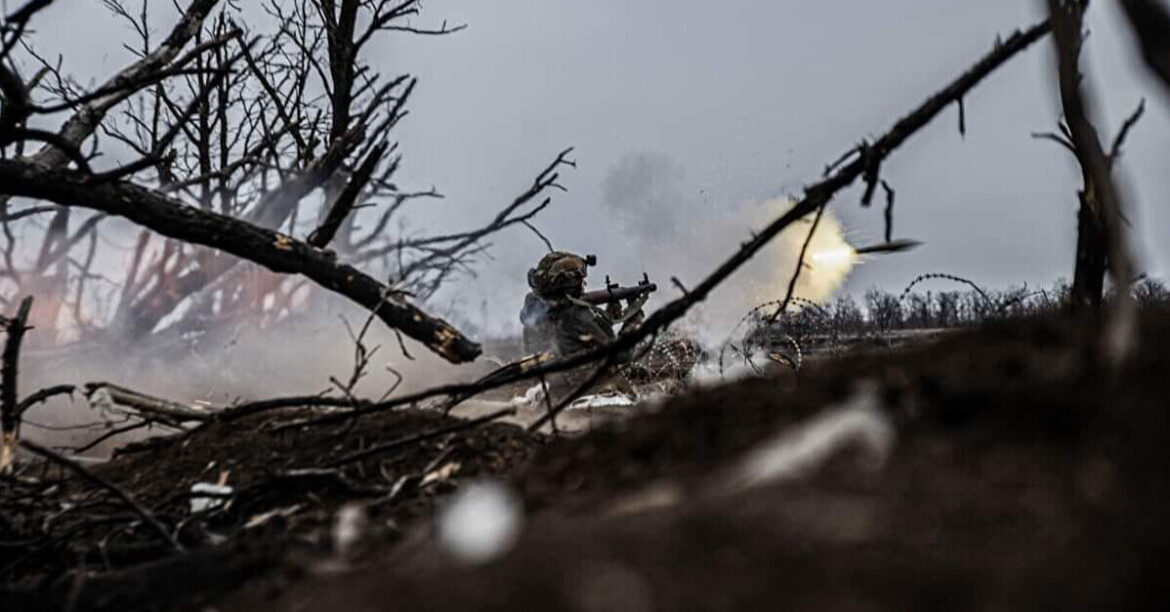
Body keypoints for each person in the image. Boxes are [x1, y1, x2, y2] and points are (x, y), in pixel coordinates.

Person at [520, 251, 644, 359]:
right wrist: (633, 321)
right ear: (570, 285)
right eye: (580, 280)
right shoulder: (576, 315)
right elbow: (621, 355)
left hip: (546, 379)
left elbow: (580, 337)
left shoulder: (535, 305)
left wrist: (608, 317)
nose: (583, 284)